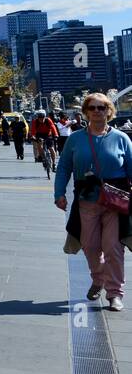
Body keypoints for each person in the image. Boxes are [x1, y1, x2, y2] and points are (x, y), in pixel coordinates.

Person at [55, 92, 132, 311]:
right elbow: (63, 168)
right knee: (90, 246)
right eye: (92, 108)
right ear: (86, 112)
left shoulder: (121, 138)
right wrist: (59, 193)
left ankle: (114, 293)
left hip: (115, 201)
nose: (97, 112)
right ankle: (98, 279)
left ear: (110, 111)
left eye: (102, 108)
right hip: (87, 199)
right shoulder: (75, 139)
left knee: (113, 248)